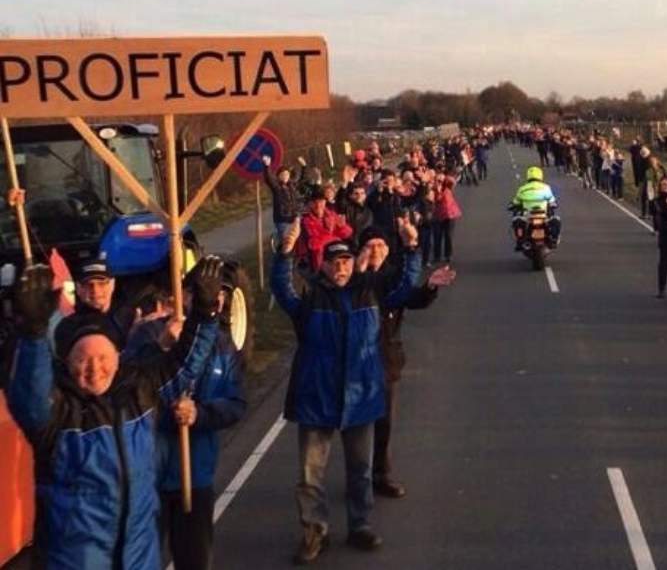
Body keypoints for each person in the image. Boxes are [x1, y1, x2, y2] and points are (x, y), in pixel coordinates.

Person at [7, 259, 224, 570]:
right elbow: (30, 393)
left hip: (138, 559)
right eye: (82, 359)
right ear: (66, 362)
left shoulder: (138, 391)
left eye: (103, 357)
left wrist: (205, 312)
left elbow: (186, 363)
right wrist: (32, 334)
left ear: (118, 357)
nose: (95, 369)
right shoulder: (56, 412)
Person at [271, 219, 422, 564]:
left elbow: (404, 287)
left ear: (354, 263)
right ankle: (315, 532)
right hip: (317, 398)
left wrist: (411, 247)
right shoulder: (310, 297)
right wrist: (284, 253)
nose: (341, 268)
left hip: (361, 396)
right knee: (310, 476)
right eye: (334, 262)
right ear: (323, 266)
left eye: (346, 262)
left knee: (361, 470)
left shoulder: (370, 292)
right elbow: (282, 289)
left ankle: (360, 524)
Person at [148, 259, 247, 570]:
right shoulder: (152, 333)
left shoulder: (224, 346)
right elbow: (130, 389)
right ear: (186, 295)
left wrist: (200, 414)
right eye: (205, 293)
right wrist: (159, 346)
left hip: (195, 474)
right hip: (149, 478)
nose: (215, 300)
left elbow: (236, 405)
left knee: (195, 560)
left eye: (219, 295)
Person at [356, 228, 455, 498]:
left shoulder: (392, 277)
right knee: (356, 427)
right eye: (369, 246)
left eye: (380, 245)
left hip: (386, 360)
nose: (375, 251)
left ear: (388, 250)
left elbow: (409, 296)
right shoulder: (349, 278)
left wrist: (430, 286)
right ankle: (358, 477)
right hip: (354, 363)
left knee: (384, 423)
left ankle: (380, 475)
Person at [52, 257, 132, 355]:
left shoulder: (131, 317)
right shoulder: (68, 327)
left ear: (112, 285)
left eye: (102, 283)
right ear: (78, 289)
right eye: (88, 285)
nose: (95, 290)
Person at [298, 187, 353, 272]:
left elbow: (346, 234)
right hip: (318, 260)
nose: (318, 205)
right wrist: (334, 238)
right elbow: (313, 243)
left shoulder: (331, 214)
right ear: (309, 204)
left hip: (336, 254)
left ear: (325, 202)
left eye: (321, 201)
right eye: (314, 202)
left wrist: (342, 227)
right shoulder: (305, 220)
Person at [509, 166, 561, 248]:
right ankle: (554, 238)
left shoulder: (522, 189)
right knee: (556, 220)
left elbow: (516, 202)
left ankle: (520, 240)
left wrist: (513, 206)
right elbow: (552, 201)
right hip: (543, 214)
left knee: (516, 220)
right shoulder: (546, 187)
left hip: (528, 215)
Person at [262, 155, 301, 241]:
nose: (285, 176)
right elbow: (268, 178)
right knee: (286, 241)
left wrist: (299, 167)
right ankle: (280, 248)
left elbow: (298, 177)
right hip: (282, 220)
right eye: (282, 175)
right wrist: (267, 166)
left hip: (293, 218)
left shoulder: (291, 186)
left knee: (297, 241)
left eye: (286, 174)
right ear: (279, 176)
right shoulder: (277, 187)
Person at [432, 174, 462, 263]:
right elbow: (436, 199)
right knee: (437, 236)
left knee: (448, 235)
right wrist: (437, 189)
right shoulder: (433, 190)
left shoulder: (447, 187)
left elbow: (453, 182)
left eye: (441, 181)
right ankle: (437, 256)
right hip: (438, 215)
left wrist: (445, 178)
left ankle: (448, 255)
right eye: (438, 181)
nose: (439, 182)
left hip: (449, 215)